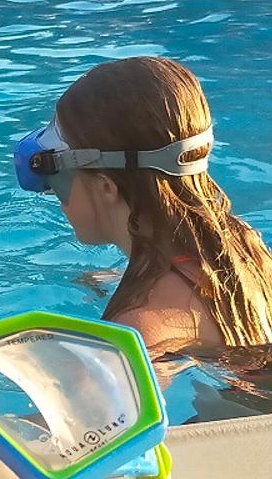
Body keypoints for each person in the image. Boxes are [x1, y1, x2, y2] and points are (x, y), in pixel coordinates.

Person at [15, 56, 272, 354]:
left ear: (106, 187)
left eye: (60, 180)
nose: (52, 192)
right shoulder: (243, 246)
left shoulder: (137, 330)